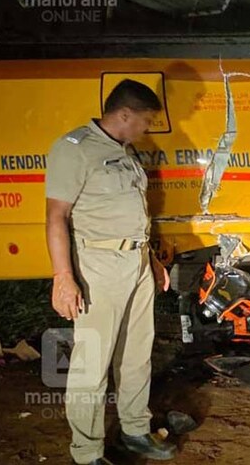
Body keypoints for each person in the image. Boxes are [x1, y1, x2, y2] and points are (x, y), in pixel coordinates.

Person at [46, 80, 177, 465]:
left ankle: (135, 430)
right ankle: (87, 452)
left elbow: (134, 213)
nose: (147, 128)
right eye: (145, 121)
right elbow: (56, 217)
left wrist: (152, 260)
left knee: (136, 354)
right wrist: (63, 277)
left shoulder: (125, 151)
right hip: (98, 267)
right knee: (92, 362)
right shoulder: (74, 149)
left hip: (137, 263)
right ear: (124, 114)